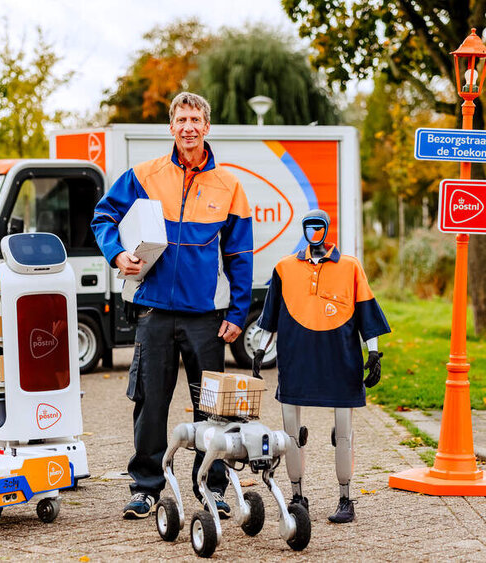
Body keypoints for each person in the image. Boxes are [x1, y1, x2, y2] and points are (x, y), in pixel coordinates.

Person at [90, 92, 254, 520]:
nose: (188, 127)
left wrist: (238, 313)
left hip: (205, 317)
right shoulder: (144, 175)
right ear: (170, 127)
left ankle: (212, 488)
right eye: (181, 119)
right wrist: (116, 254)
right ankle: (146, 487)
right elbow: (103, 217)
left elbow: (239, 255)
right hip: (153, 312)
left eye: (196, 119)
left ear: (207, 126)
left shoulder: (230, 186)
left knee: (212, 409)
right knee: (150, 402)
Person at [256, 209, 390, 523]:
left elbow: (367, 313)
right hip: (296, 360)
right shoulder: (284, 268)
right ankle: (297, 497)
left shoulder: (350, 267)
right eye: (308, 226)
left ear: (327, 228)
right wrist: (259, 351)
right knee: (291, 434)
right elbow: (270, 317)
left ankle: (346, 500)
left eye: (319, 226)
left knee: (344, 433)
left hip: (341, 361)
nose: (314, 231)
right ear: (303, 230)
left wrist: (373, 355)